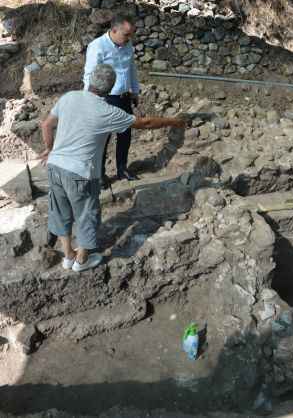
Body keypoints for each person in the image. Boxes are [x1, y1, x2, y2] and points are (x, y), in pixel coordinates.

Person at [40, 64, 185, 273]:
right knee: (86, 213)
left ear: (90, 79)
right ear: (111, 87)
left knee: (60, 209)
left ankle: (68, 255)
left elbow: (46, 125)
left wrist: (49, 149)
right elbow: (145, 123)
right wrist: (174, 121)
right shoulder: (107, 112)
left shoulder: (69, 97)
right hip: (80, 172)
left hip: (55, 166)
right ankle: (81, 260)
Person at [83, 12, 139, 183]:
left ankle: (122, 169)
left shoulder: (127, 45)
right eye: (126, 34)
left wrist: (135, 91)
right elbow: (89, 75)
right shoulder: (98, 46)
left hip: (124, 97)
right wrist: (89, 101)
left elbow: (131, 68)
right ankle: (99, 175)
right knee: (102, 138)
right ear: (114, 30)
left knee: (125, 135)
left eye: (131, 34)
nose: (129, 38)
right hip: (105, 99)